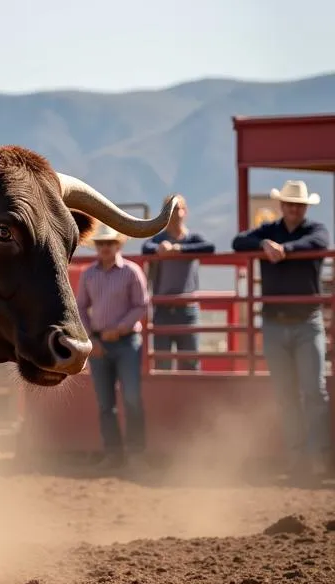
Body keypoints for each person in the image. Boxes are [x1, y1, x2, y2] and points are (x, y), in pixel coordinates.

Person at [232, 180, 331, 479]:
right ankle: (298, 459)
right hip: (277, 323)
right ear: (282, 206)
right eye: (289, 204)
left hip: (305, 322)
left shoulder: (315, 230)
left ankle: (316, 457)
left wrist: (283, 249)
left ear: (304, 207)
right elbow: (239, 242)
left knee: (314, 392)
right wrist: (264, 245)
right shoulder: (268, 232)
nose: (293, 209)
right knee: (287, 394)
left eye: (298, 205)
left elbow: (318, 243)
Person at [77, 223, 150, 467]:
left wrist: (119, 328)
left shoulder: (131, 272)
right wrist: (92, 339)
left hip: (126, 342)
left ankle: (136, 453)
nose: (105, 248)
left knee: (131, 398)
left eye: (109, 243)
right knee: (105, 403)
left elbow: (141, 305)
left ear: (117, 245)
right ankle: (114, 454)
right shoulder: (89, 274)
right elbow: (80, 309)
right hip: (99, 344)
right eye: (101, 244)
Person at [141, 195, 215, 370]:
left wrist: (179, 249)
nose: (175, 214)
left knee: (190, 362)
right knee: (162, 364)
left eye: (178, 208)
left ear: (185, 212)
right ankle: (164, 398)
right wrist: (160, 249)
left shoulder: (191, 238)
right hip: (163, 308)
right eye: (170, 210)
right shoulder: (159, 240)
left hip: (187, 309)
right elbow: (146, 248)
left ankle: (191, 398)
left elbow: (209, 247)